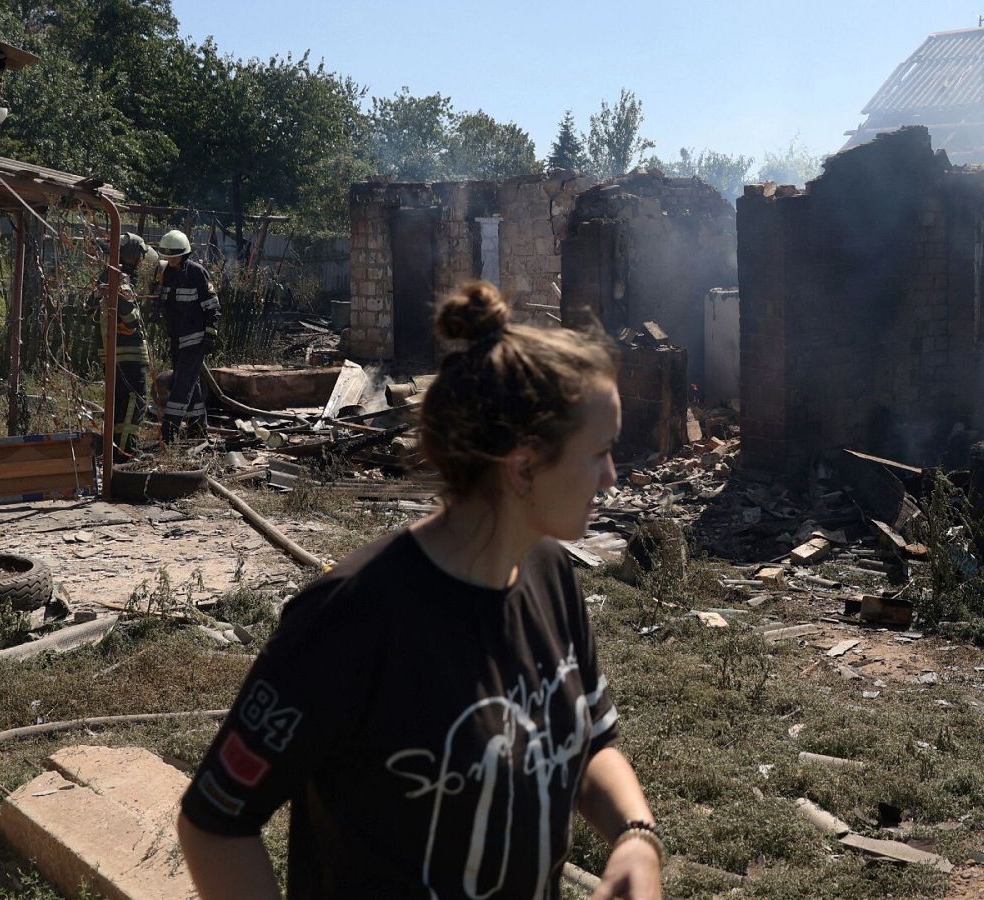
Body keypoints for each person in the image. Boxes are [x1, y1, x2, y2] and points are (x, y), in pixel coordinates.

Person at [177, 281, 661, 900]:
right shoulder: (351, 618)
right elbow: (215, 823)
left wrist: (636, 837)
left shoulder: (550, 576)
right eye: (599, 453)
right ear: (524, 465)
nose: (612, 477)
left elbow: (592, 739)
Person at [155, 229, 219, 442]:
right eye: (167, 255)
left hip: (195, 341)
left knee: (181, 386)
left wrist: (210, 335)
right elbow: (164, 303)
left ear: (184, 253)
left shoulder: (197, 273)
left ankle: (169, 431)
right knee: (192, 385)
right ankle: (198, 429)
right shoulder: (167, 274)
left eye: (174, 255)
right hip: (177, 341)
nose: (170, 259)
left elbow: (212, 307)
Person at [95, 232, 155, 458]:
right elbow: (130, 317)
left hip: (113, 353)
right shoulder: (121, 280)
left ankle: (114, 448)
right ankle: (126, 451)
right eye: (139, 256)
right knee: (134, 401)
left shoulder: (104, 276)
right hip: (129, 354)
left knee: (119, 402)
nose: (141, 262)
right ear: (131, 255)